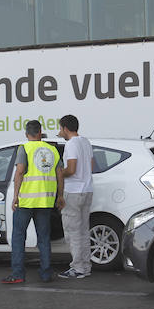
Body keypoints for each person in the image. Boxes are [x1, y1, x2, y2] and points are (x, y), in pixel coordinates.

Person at [2, 120, 64, 284]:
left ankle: (18, 274)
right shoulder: (52, 149)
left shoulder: (25, 148)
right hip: (45, 201)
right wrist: (60, 196)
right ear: (40, 132)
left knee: (18, 237)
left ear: (26, 134)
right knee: (43, 238)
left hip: (27, 201)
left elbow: (20, 172)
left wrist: (15, 196)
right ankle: (46, 273)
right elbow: (60, 174)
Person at [57, 115, 93, 279]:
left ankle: (77, 268)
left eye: (60, 128)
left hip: (73, 191)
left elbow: (71, 169)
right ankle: (85, 266)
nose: (60, 132)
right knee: (84, 231)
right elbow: (91, 165)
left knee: (73, 231)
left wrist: (57, 173)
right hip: (87, 189)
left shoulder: (71, 144)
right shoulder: (86, 142)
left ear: (65, 128)